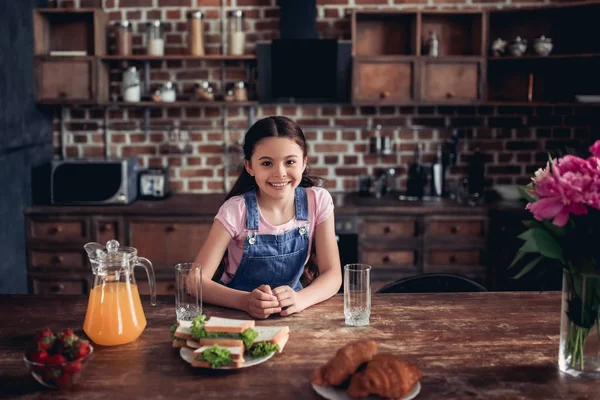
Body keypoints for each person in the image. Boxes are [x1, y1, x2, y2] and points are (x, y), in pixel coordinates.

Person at [192, 116, 342, 319]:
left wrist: (300, 300)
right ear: (250, 167)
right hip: (236, 318)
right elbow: (195, 281)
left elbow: (333, 275)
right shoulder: (236, 210)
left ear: (304, 162)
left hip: (293, 316)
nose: (280, 173)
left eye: (290, 162)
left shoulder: (318, 200)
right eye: (267, 163)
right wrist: (245, 302)